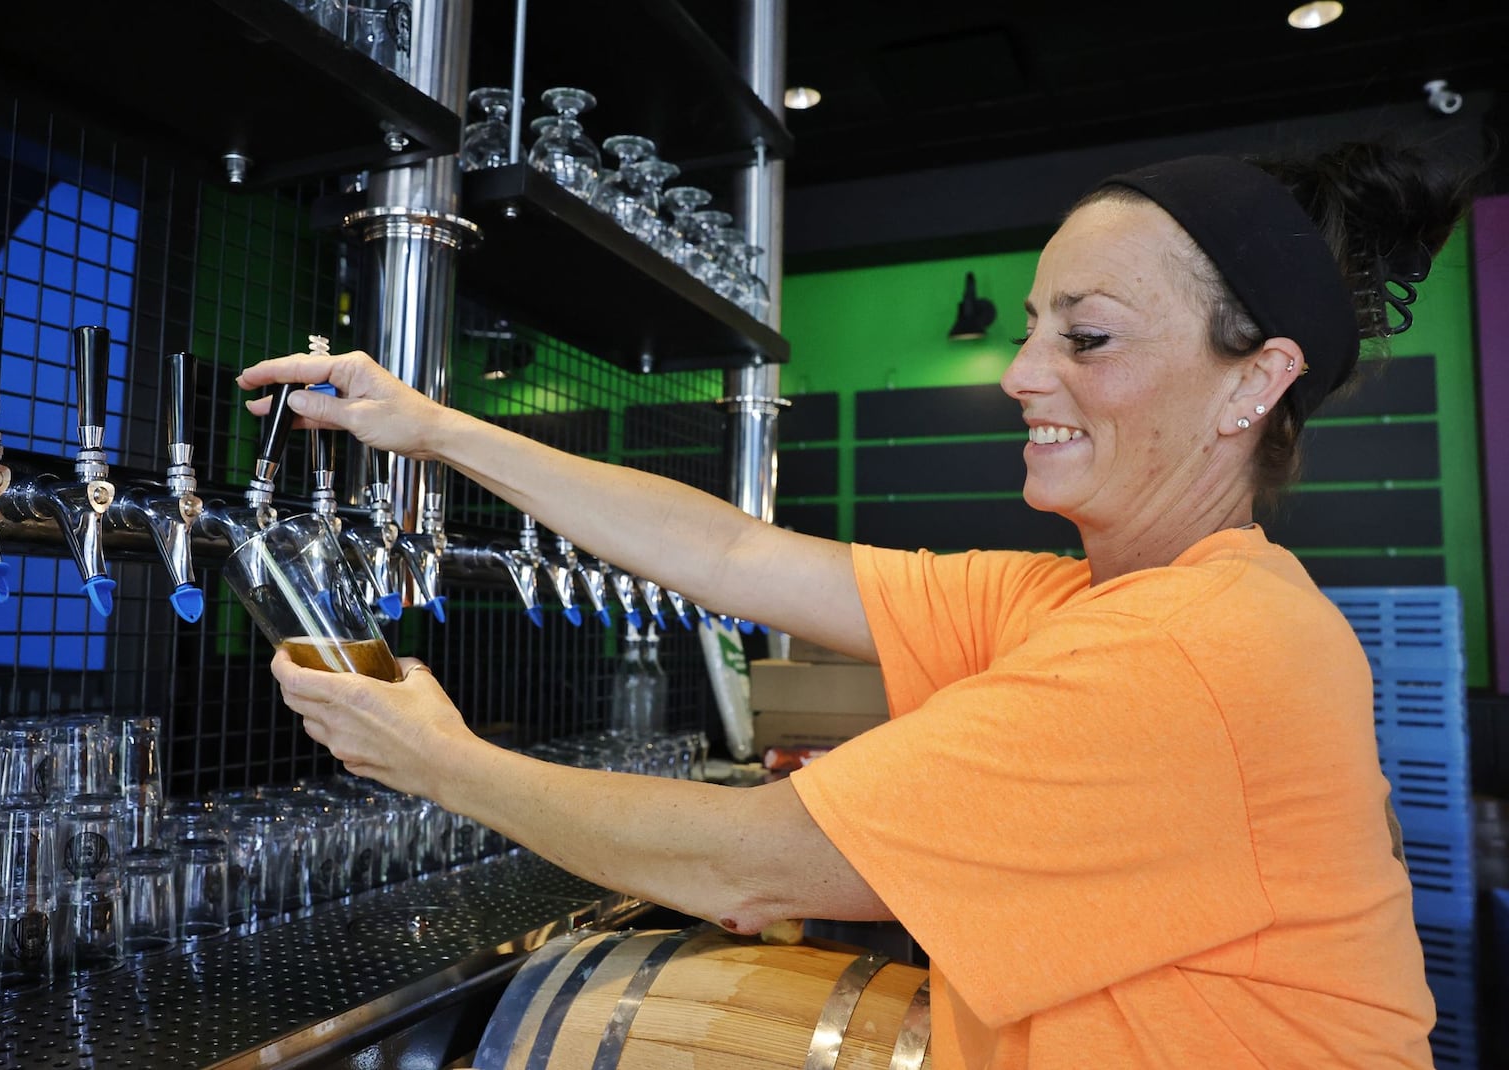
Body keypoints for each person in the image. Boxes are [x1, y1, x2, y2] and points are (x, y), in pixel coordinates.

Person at [237, 140, 1471, 1068]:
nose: (1019, 370)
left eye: (1084, 337)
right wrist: (431, 427)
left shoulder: (1194, 648)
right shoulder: (1090, 599)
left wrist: (439, 759)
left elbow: (753, 866)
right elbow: (729, 550)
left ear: (1251, 382)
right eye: (1035, 324)